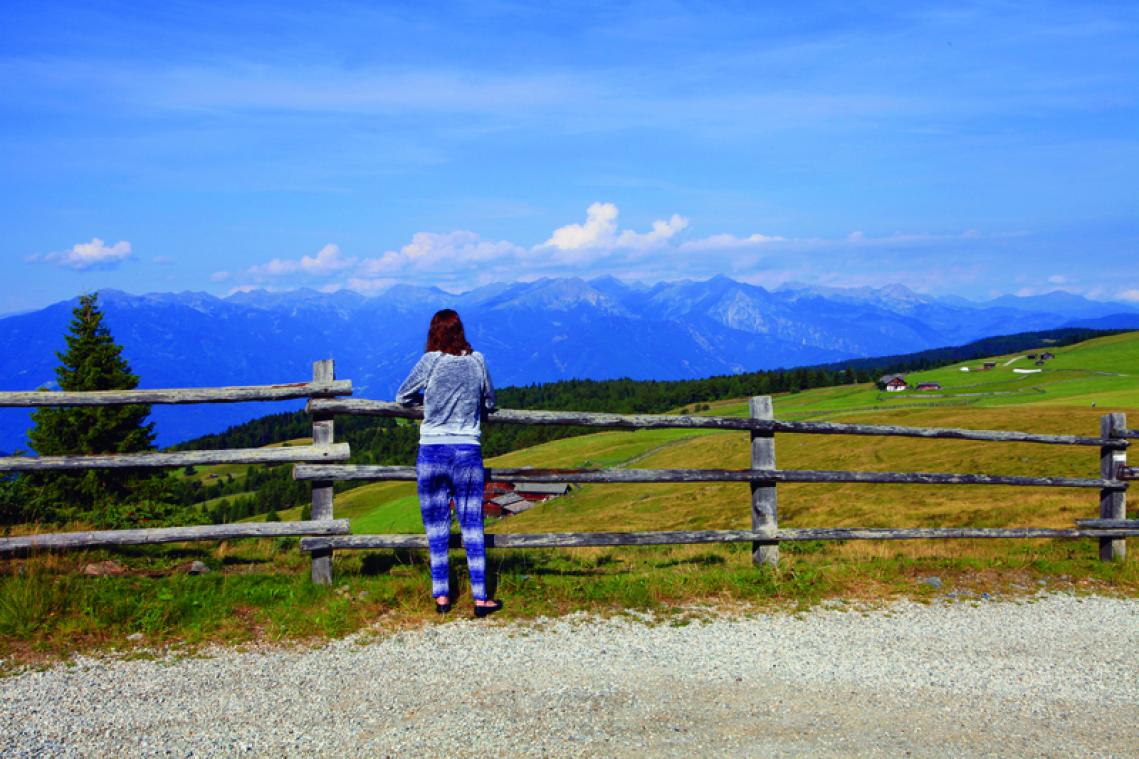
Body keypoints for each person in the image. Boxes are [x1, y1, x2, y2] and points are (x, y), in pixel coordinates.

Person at [396, 309, 501, 617]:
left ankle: (441, 596)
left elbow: (402, 396)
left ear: (434, 334)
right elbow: (491, 401)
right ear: (461, 331)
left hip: (432, 451)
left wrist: (428, 403)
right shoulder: (477, 360)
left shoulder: (431, 361)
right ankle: (481, 598)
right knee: (472, 523)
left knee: (436, 526)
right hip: (467, 450)